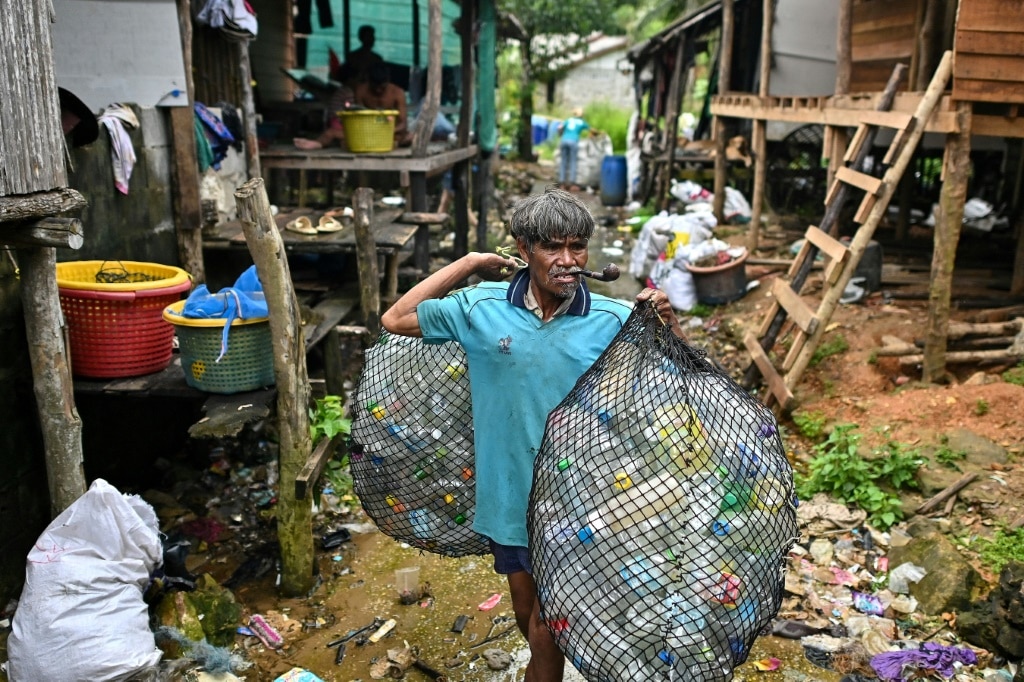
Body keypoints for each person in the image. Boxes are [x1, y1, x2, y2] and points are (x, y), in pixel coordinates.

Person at [381, 187, 683, 682]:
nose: (568, 261)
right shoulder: (480, 308)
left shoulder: (613, 319)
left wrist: (670, 325)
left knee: (548, 627)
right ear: (523, 249)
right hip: (508, 496)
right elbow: (395, 319)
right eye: (552, 248)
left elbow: (691, 377)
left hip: (583, 500)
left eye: (577, 247)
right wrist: (470, 262)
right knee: (529, 617)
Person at [293, 64, 357, 150]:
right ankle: (316, 144)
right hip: (339, 121)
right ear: (351, 79)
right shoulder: (348, 92)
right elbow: (350, 108)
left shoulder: (341, 90)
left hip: (334, 120)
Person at [354, 62, 412, 147]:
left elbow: (403, 123)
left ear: (388, 81)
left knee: (409, 138)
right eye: (374, 87)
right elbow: (357, 117)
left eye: (382, 88)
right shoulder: (361, 91)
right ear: (369, 81)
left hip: (391, 131)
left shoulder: (398, 93)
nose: (378, 90)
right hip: (368, 132)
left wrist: (388, 131)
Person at [557, 108, 589, 190]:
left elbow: (560, 128)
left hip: (564, 141)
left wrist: (561, 134)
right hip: (573, 141)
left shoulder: (568, 120)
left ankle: (562, 183)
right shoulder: (582, 122)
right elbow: (590, 130)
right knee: (573, 161)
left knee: (563, 161)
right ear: (581, 115)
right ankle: (572, 183)